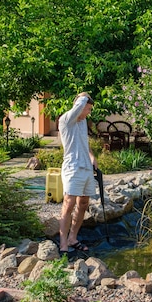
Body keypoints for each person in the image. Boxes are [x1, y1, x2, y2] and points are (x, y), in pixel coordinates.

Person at [58, 92, 97, 257]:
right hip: (72, 168)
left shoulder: (82, 122)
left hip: (86, 168)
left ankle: (73, 238)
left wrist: (92, 157)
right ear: (79, 106)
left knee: (83, 204)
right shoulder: (66, 120)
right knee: (69, 203)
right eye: (87, 109)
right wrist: (85, 96)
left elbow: (84, 143)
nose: (88, 112)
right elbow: (80, 103)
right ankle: (63, 243)